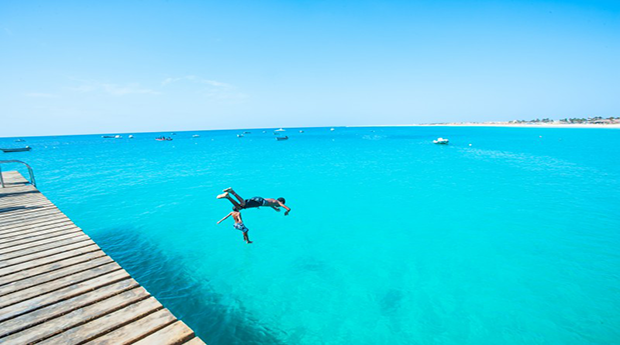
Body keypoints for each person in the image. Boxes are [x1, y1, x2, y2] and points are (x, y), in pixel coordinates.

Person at [216, 187, 291, 215]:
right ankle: (232, 192)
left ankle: (228, 197)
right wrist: (286, 212)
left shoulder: (274, 201)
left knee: (239, 207)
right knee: (243, 204)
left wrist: (275, 209)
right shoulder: (279, 203)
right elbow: (288, 208)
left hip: (258, 199)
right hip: (259, 202)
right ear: (281, 202)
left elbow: (270, 204)